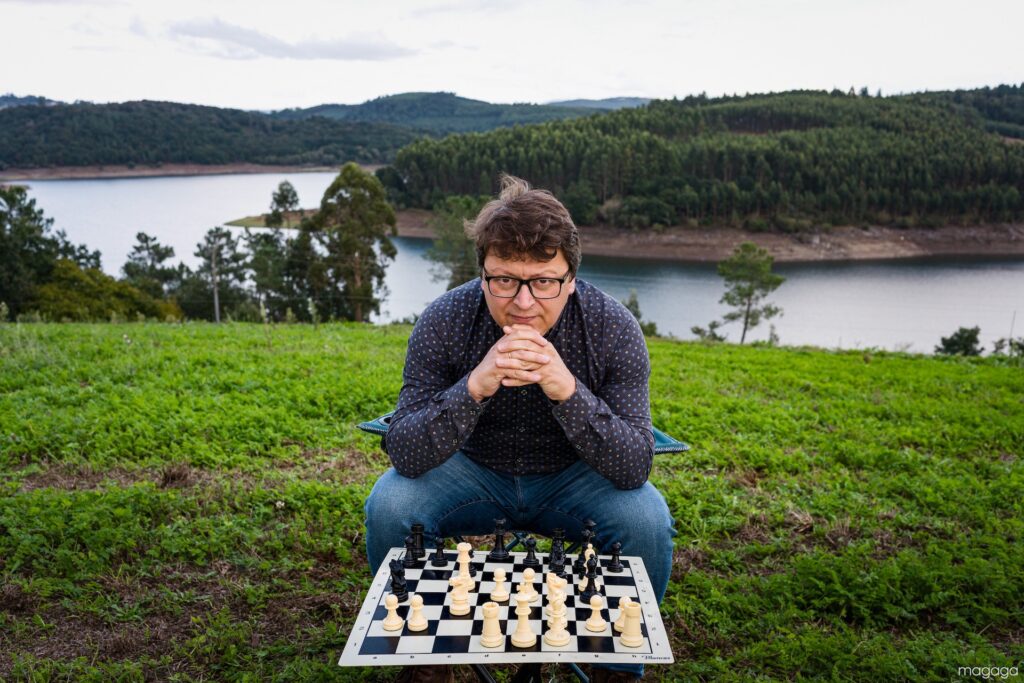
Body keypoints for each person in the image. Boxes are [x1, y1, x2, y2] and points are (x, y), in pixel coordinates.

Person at [364, 175, 675, 683]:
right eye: (505, 280)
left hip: (573, 477)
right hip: (471, 471)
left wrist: (567, 390)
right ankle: (418, 659)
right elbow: (405, 451)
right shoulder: (445, 319)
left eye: (544, 281)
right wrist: (475, 385)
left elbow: (635, 463)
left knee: (646, 520)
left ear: (571, 277)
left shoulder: (613, 327)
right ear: (483, 273)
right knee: (391, 505)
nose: (524, 302)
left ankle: (616, 665)